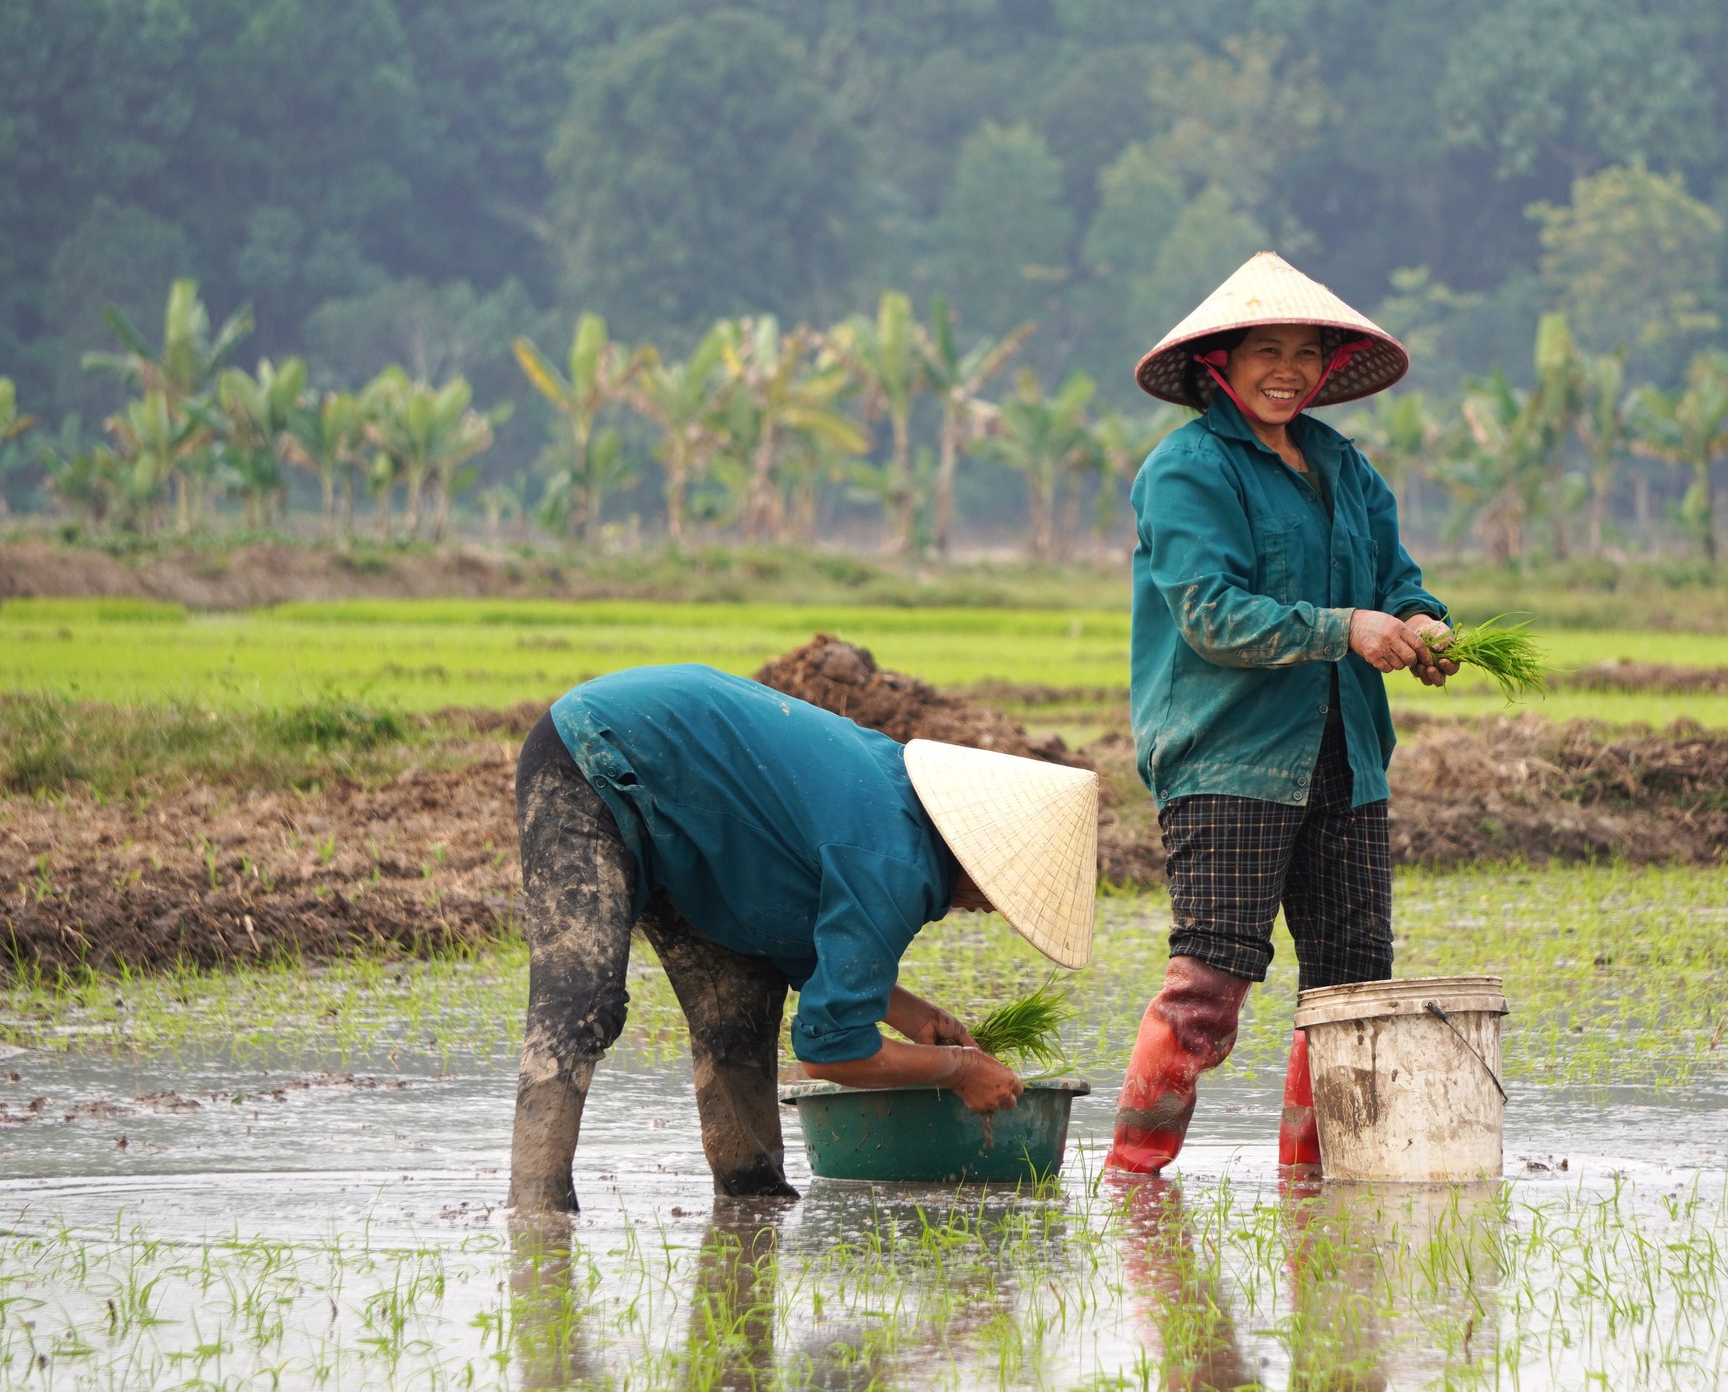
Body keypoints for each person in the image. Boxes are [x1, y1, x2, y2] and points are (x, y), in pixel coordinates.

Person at [507, 663, 1100, 1211]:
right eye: (999, 891)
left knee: (740, 1016)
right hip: (596, 750)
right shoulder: (894, 862)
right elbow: (831, 1051)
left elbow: (793, 920)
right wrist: (959, 1068)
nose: (988, 909)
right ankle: (536, 1213)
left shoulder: (897, 812)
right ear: (976, 855)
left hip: (700, 822)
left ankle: (751, 1207)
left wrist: (909, 1013)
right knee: (580, 1004)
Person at [1107, 251, 1455, 1179]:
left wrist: (1422, 622)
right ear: (1220, 362)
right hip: (1229, 758)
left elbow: (1399, 581)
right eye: (1267, 349)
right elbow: (1211, 615)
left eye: (1307, 352)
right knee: (1210, 982)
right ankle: (1135, 1179)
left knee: (1351, 994)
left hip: (1350, 756)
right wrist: (1348, 627)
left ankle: (1318, 1187)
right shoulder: (1186, 470)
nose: (1288, 370)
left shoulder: (1346, 467)